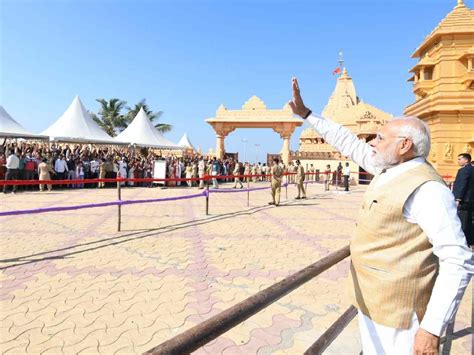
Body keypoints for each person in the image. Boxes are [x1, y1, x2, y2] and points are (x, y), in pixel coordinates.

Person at [289, 77, 472, 354]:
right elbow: (349, 143)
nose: (372, 142)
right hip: (373, 300)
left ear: (404, 146)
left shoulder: (427, 189)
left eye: (380, 138)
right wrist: (307, 115)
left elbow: (458, 259)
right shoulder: (389, 170)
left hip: (401, 315)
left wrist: (432, 327)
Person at [452, 153, 473, 246]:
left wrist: (457, 199)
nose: (458, 161)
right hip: (471, 200)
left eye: (460, 159)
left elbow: (461, 185)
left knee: (462, 221)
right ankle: (470, 241)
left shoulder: (463, 170)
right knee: (470, 221)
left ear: (466, 160)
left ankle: (463, 242)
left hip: (464, 200)